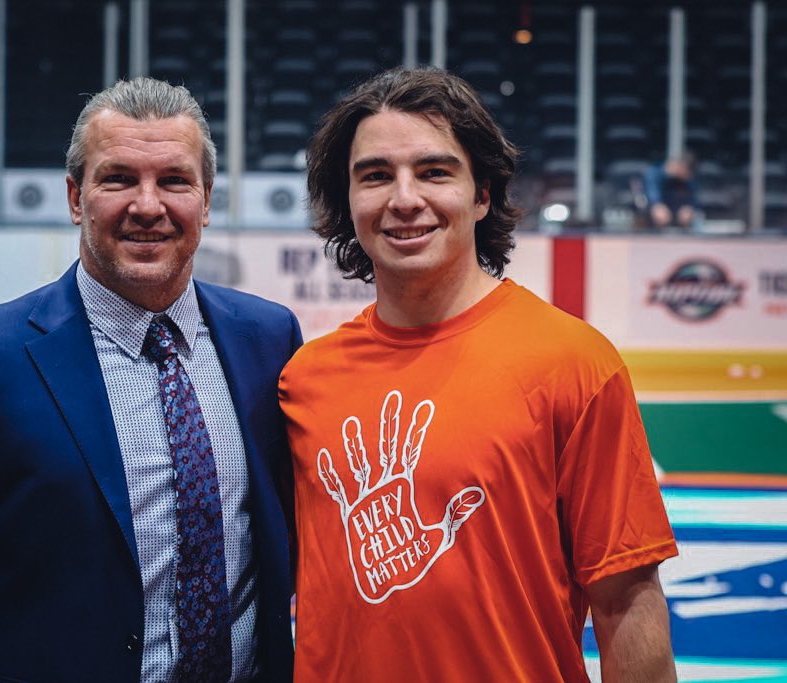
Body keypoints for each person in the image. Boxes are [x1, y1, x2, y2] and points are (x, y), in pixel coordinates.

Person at [0, 77, 301, 682]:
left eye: (174, 181)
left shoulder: (269, 339)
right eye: (118, 178)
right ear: (76, 197)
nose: (147, 206)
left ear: (206, 200)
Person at [279, 66, 678, 682]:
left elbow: (627, 598)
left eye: (434, 172)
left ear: (482, 192)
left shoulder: (573, 363)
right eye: (375, 176)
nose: (404, 198)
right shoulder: (303, 380)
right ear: (348, 199)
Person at [643, 153, 699, 229]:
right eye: (686, 173)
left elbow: (693, 200)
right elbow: (653, 196)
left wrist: (689, 208)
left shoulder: (687, 181)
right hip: (653, 219)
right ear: (680, 166)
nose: (687, 177)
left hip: (678, 222)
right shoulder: (653, 174)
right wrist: (657, 206)